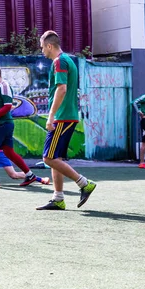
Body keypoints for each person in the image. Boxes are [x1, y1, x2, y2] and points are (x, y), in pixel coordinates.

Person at [36, 30, 96, 210]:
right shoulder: (69, 60)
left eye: (42, 48)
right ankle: (58, 198)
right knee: (56, 158)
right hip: (68, 116)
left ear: (49, 45)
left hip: (62, 118)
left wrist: (51, 116)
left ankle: (84, 183)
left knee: (47, 158)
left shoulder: (59, 61)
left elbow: (61, 89)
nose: (42, 52)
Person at [0, 64, 37, 188]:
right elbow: (0, 106)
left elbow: (7, 106)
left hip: (0, 123)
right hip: (4, 123)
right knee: (8, 152)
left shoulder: (4, 86)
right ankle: (30, 175)